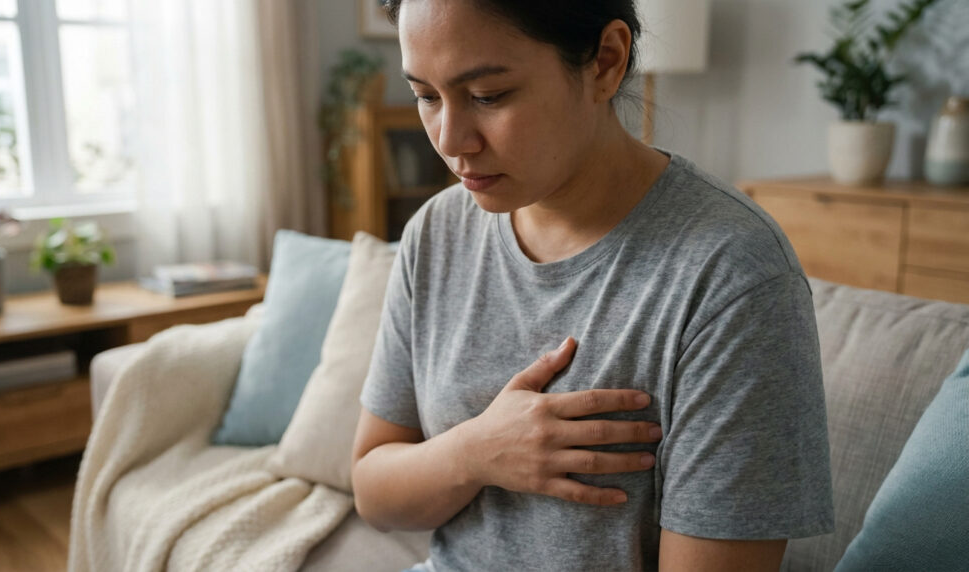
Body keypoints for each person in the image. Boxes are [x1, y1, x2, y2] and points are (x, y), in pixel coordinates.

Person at [351, 1, 835, 570]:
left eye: (488, 96)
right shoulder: (437, 232)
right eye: (427, 96)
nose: (452, 141)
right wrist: (475, 452)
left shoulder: (732, 275)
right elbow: (373, 494)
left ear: (605, 61)